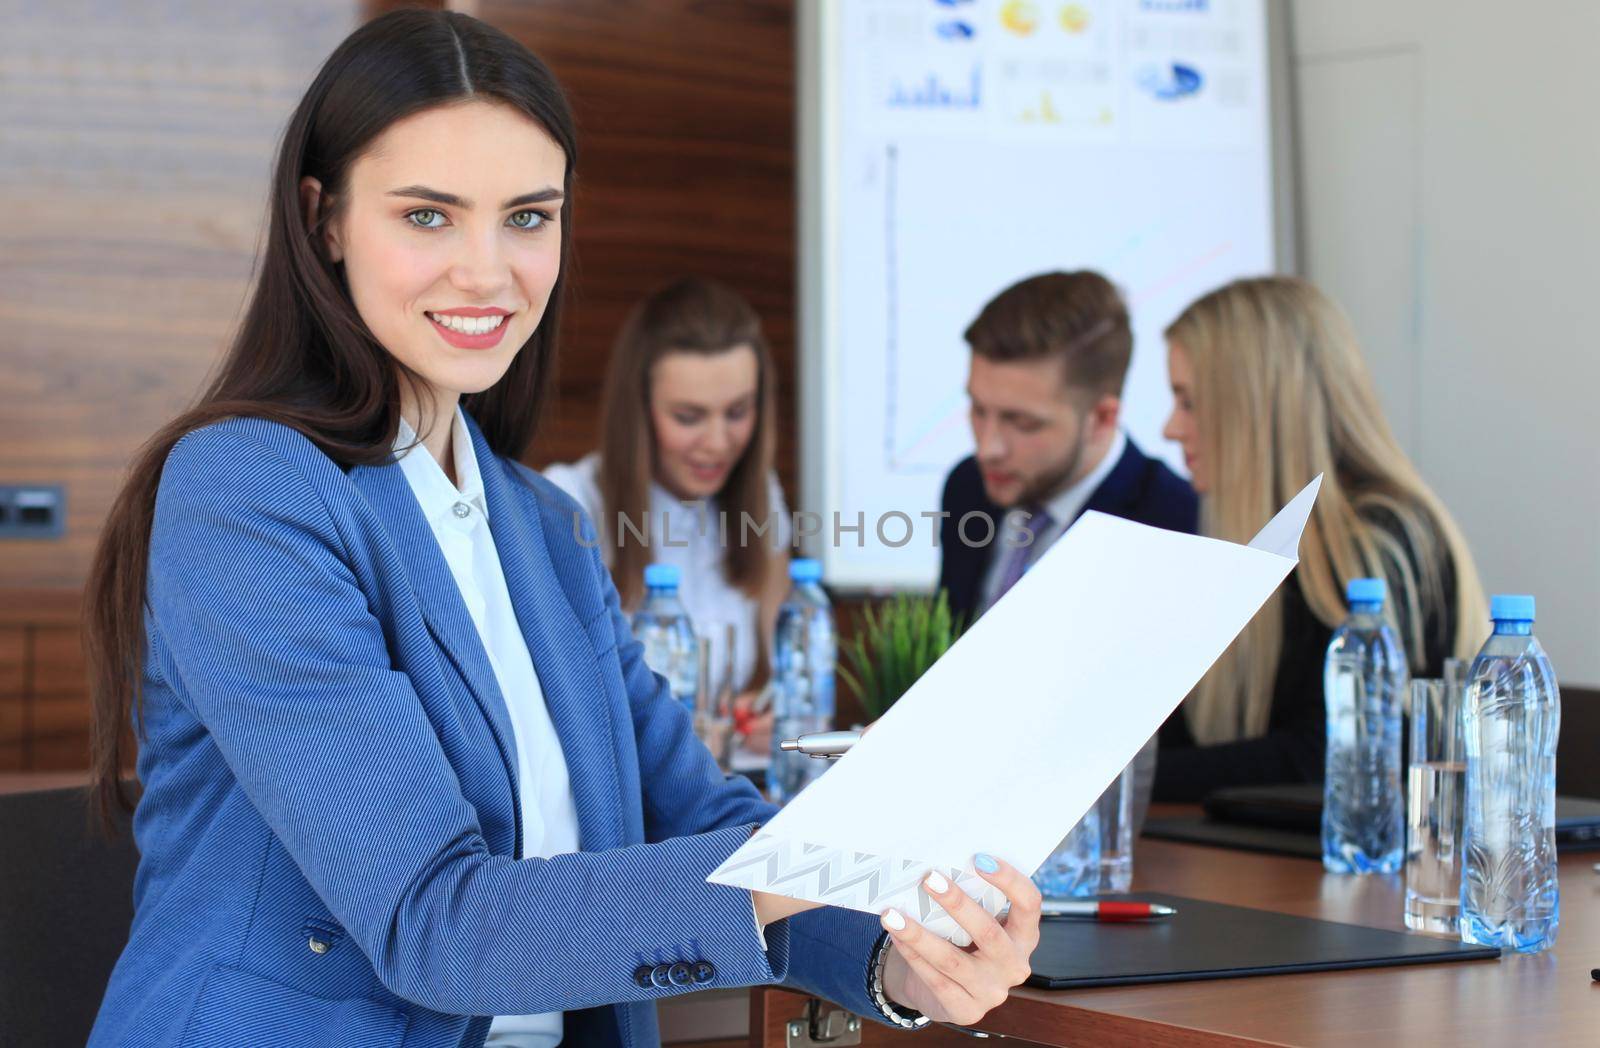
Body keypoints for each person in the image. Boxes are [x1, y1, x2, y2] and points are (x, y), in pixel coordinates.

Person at [80, 12, 1040, 1047]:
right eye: (428, 217)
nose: (488, 273)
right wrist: (843, 851)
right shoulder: (248, 493)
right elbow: (435, 922)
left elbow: (697, 818)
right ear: (324, 221)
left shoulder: (540, 525)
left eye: (528, 218)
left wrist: (895, 950)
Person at [1155, 276, 1487, 801]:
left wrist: (1126, 780)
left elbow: (1324, 758)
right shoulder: (1255, 536)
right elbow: (1191, 736)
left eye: (1189, 402)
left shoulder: (1376, 536)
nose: (1170, 429)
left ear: (1256, 405)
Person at [543, 278, 789, 739]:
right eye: (688, 418)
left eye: (737, 412)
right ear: (638, 413)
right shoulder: (569, 501)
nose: (718, 443)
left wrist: (765, 714)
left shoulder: (760, 495)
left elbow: (786, 670)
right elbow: (559, 703)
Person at [937, 271, 1197, 626]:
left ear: (1103, 417)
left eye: (1022, 422)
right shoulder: (967, 487)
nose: (988, 448)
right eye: (979, 410)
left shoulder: (1176, 528)